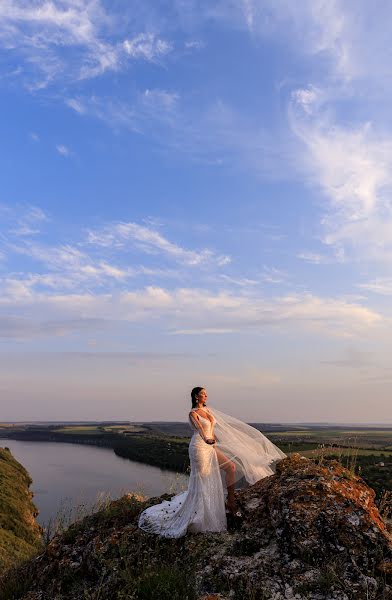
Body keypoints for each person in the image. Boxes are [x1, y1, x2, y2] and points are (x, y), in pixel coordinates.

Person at [138, 387, 287, 538]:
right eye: (203, 394)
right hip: (199, 446)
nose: (206, 396)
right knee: (203, 476)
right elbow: (202, 430)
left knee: (231, 467)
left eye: (206, 394)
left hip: (211, 446)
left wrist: (215, 443)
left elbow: (213, 429)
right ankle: (201, 512)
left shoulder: (208, 411)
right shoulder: (193, 413)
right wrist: (207, 439)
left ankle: (231, 501)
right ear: (196, 397)